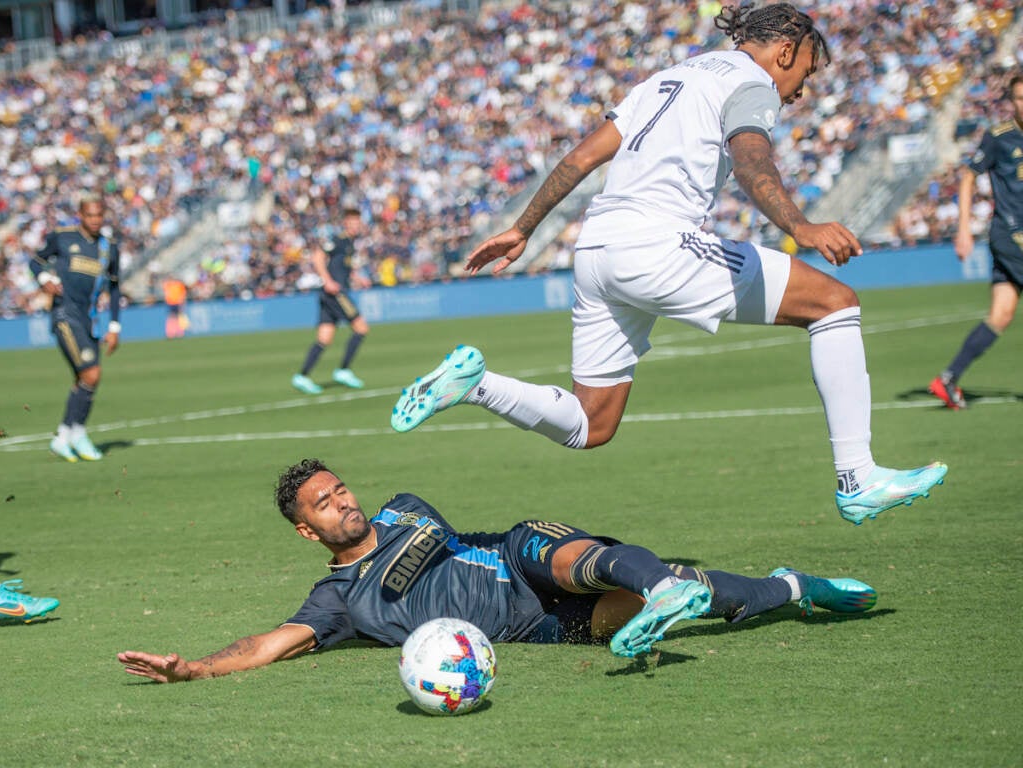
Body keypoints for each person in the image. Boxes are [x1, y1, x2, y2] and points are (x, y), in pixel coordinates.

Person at [391, 2, 946, 525]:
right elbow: (753, 161)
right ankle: (858, 476)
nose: (803, 88)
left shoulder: (667, 78)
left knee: (591, 423)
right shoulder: (751, 83)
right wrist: (800, 227)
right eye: (807, 70)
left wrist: (524, 227)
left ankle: (474, 385)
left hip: (596, 250)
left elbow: (582, 156)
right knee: (834, 303)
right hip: (655, 244)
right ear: (785, 52)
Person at [117, 458, 877, 682]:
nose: (342, 502)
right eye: (324, 504)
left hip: (518, 556)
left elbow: (443, 545)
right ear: (303, 529)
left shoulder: (407, 508)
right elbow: (265, 644)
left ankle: (661, 588)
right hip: (537, 627)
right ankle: (792, 587)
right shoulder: (338, 601)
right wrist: (192, 669)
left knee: (582, 561)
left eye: (341, 489)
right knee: (700, 594)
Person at [929, 75, 1023, 410]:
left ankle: (948, 379)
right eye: (1019, 99)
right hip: (1012, 234)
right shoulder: (1000, 138)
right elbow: (969, 176)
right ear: (1011, 102)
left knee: (1001, 314)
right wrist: (964, 229)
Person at [30, 194, 122, 462]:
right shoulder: (62, 237)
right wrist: (44, 278)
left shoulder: (109, 248)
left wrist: (114, 326)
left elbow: (115, 288)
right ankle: (78, 433)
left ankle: (63, 436)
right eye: (90, 215)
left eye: (99, 215)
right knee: (91, 374)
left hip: (89, 320)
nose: (95, 220)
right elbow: (35, 261)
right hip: (64, 315)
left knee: (84, 379)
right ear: (80, 215)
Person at [291, 208, 371, 395]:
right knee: (361, 328)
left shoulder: (350, 243)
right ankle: (343, 370)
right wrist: (327, 280)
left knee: (324, 338)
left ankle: (302, 376)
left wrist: (357, 278)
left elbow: (343, 267)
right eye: (352, 223)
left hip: (329, 294)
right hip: (335, 293)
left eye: (358, 223)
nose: (355, 226)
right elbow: (318, 256)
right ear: (345, 223)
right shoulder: (338, 239)